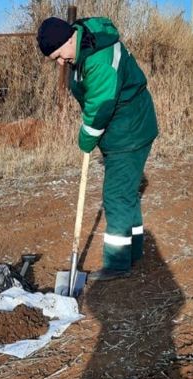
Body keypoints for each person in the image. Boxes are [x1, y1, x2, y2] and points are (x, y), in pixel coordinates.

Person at [36, 16, 158, 281]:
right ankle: (134, 250)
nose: (60, 62)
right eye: (55, 59)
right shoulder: (83, 46)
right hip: (126, 127)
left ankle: (117, 263)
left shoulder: (99, 59)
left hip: (129, 130)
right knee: (127, 193)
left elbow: (100, 107)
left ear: (69, 38)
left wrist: (87, 137)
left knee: (116, 196)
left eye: (59, 55)